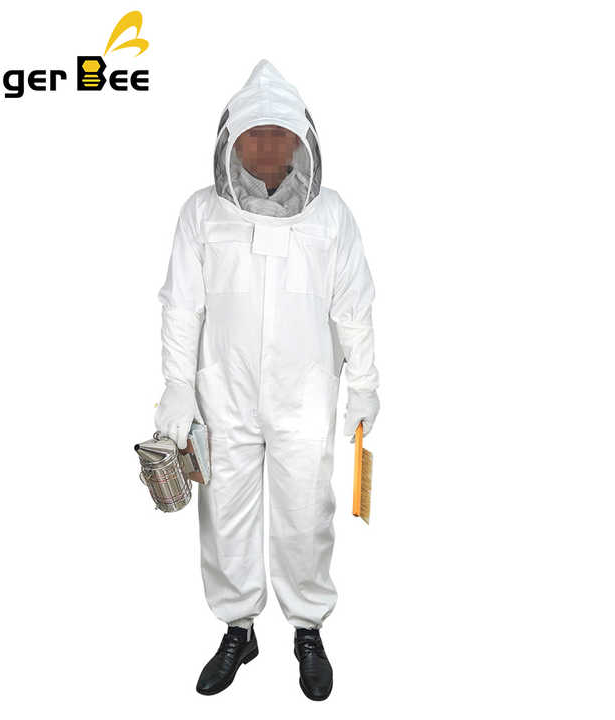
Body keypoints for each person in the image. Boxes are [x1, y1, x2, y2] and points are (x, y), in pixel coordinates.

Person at [155, 59, 380, 701]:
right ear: (234, 142)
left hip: (305, 396)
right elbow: (181, 306)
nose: (267, 147)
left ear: (299, 142)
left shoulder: (331, 216)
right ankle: (238, 627)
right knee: (224, 515)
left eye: (279, 135)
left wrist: (363, 383)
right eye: (256, 135)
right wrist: (176, 385)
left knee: (306, 515)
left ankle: (308, 627)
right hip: (222, 394)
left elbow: (354, 305)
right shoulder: (202, 214)